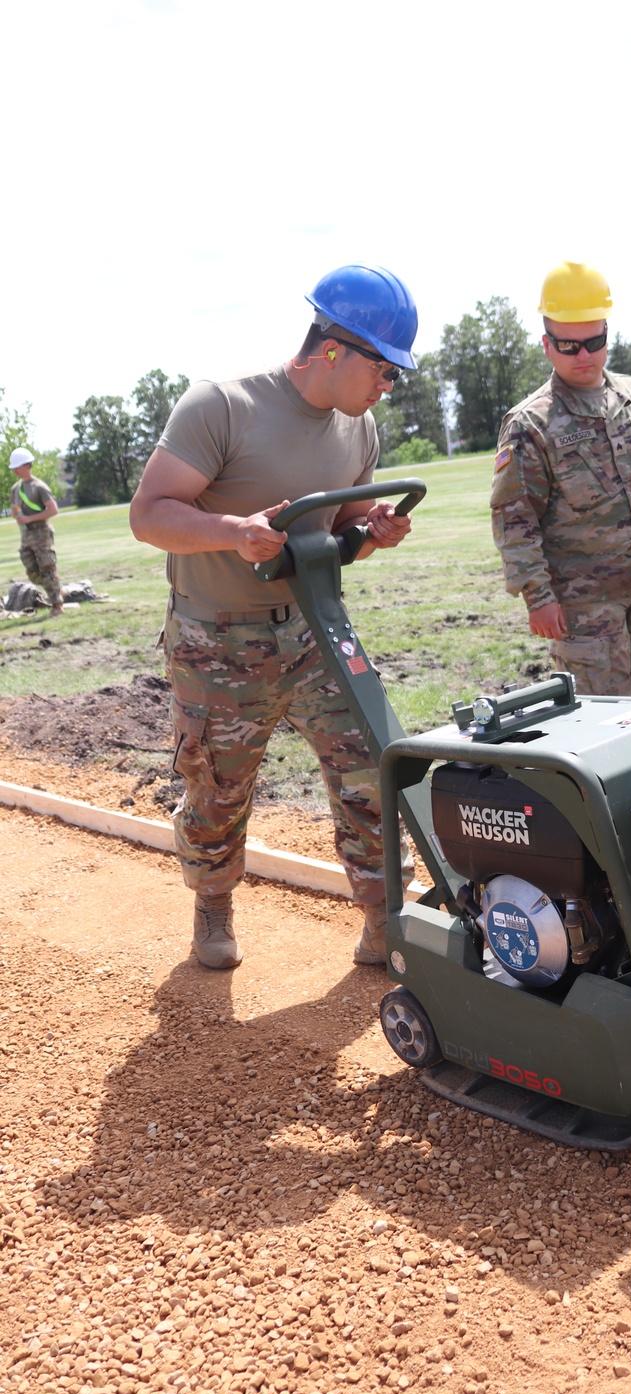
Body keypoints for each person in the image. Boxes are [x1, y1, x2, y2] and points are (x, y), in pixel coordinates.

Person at [130, 264, 418, 971]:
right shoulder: (222, 406)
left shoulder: (360, 429)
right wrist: (233, 531)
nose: (389, 385)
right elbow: (150, 515)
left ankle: (387, 921)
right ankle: (214, 905)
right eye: (384, 368)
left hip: (316, 631)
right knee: (218, 790)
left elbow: (339, 532)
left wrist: (371, 530)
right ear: (333, 350)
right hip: (217, 640)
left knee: (369, 769)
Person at [490, 261, 631, 696]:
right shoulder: (530, 423)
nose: (584, 355)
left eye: (595, 341)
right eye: (569, 346)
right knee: (602, 714)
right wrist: (538, 596)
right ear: (547, 345)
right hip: (581, 606)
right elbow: (514, 520)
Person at [8, 447, 62, 614]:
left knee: (47, 568)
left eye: (18, 466)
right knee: (32, 571)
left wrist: (29, 518)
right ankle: (56, 591)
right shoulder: (16, 489)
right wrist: (16, 514)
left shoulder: (39, 486)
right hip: (26, 535)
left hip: (41, 534)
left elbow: (53, 510)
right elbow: (15, 509)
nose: (15, 470)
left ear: (27, 466)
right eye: (14, 467)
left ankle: (57, 605)